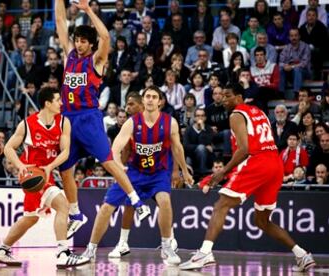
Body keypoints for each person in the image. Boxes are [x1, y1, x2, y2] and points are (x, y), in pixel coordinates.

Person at [179, 83, 316, 272]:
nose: (224, 99)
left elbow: (244, 150)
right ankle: (302, 254)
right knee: (261, 221)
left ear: (239, 97)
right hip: (274, 164)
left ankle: (204, 253)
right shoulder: (259, 112)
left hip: (258, 162)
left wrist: (222, 172)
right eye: (222, 96)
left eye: (228, 95)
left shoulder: (236, 114)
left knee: (221, 205)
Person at [55, 0, 150, 239]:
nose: (77, 44)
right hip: (67, 119)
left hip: (88, 118)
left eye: (83, 41)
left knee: (108, 161)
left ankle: (136, 200)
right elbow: (59, 22)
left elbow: (106, 38)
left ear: (90, 44)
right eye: (76, 40)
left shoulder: (96, 61)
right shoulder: (69, 57)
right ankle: (76, 214)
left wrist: (88, 10)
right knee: (65, 168)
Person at [81, 86, 193, 265]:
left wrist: (184, 172)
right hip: (134, 172)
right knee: (106, 207)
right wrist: (118, 166)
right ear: (144, 100)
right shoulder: (132, 122)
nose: (150, 99)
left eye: (153, 97)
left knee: (164, 201)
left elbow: (177, 148)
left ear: (160, 101)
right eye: (147, 96)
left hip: (158, 172)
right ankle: (90, 249)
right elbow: (115, 148)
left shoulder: (170, 122)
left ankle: (167, 246)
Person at [0, 87, 89, 268]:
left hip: (46, 173)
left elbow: (65, 151)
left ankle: (2, 250)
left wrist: (51, 166)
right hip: (34, 176)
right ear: (47, 103)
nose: (61, 103)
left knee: (30, 218)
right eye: (58, 100)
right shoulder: (27, 124)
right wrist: (20, 167)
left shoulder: (63, 122)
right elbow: (9, 148)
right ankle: (62, 253)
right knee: (63, 205)